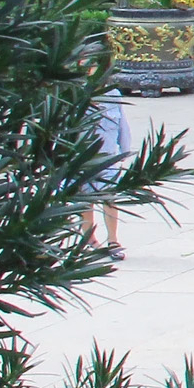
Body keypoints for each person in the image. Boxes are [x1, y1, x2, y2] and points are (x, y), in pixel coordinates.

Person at [82, 88, 132, 260]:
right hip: (82, 158)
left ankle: (113, 240)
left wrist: (124, 149)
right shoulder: (77, 92)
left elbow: (122, 124)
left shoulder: (113, 94)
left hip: (108, 156)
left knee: (109, 197)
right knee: (85, 199)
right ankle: (89, 240)